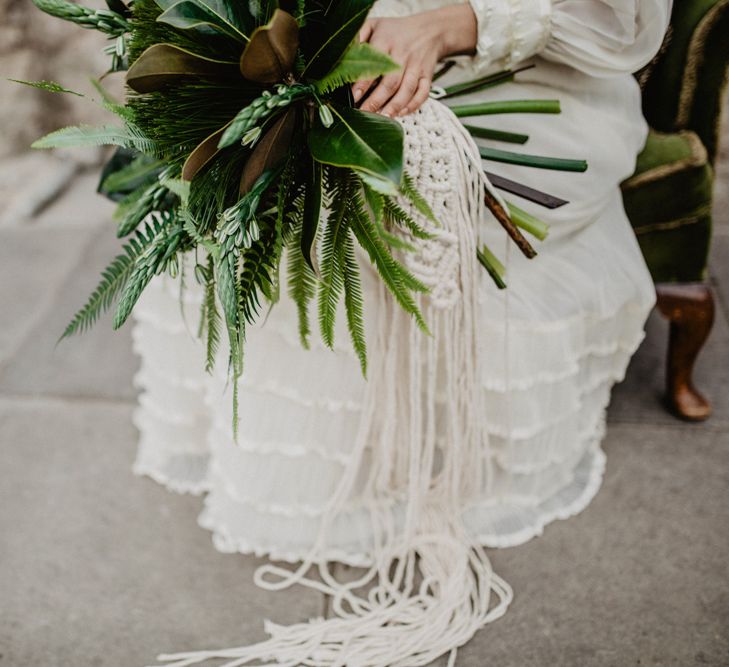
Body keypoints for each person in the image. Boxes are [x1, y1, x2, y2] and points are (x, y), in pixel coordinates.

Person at [131, 1, 673, 665]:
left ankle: (436, 452)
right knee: (246, 186)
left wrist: (448, 25)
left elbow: (623, 18)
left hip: (518, 79)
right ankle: (336, 465)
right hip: (309, 49)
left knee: (404, 187)